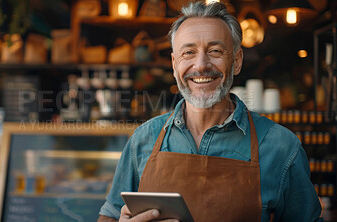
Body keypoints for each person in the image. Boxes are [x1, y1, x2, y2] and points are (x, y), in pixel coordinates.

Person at [98, 1, 322, 222]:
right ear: (175, 64)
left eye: (215, 51)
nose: (201, 65)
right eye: (188, 52)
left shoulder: (282, 147)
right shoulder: (142, 140)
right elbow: (109, 216)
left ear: (236, 61)